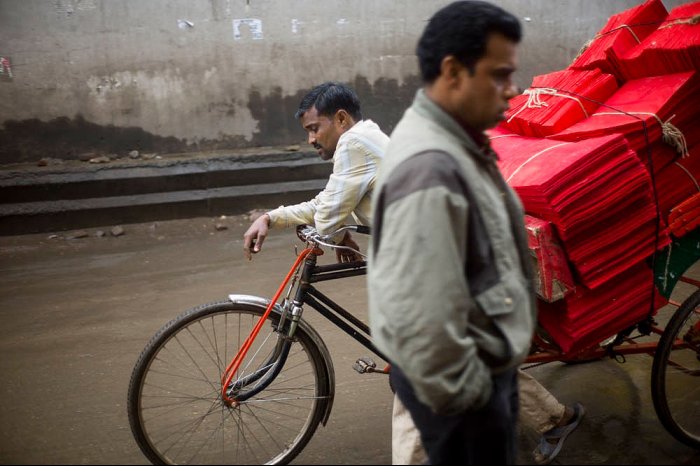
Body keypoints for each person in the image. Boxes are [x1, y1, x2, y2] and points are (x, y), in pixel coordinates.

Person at [368, 1, 537, 463]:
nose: (513, 89)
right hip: (466, 398)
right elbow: (424, 327)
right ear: (454, 71)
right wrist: (474, 398)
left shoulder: (455, 142)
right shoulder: (431, 169)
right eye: (500, 75)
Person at [243, 81, 388, 262]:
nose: (311, 140)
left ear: (341, 119)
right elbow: (323, 204)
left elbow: (326, 220)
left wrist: (339, 237)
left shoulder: (353, 143)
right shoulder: (365, 137)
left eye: (314, 129)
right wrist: (270, 218)